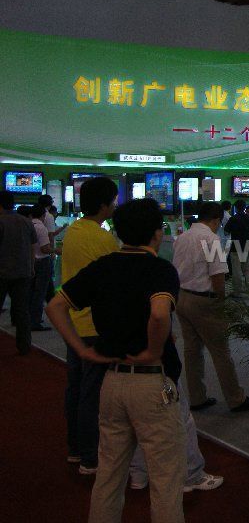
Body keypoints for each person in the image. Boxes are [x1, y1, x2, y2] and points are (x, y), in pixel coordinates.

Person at [46, 198, 186, 523]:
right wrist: (152, 351)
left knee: (109, 474)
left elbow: (55, 307)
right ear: (157, 233)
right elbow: (159, 313)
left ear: (119, 232)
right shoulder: (160, 269)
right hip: (151, 383)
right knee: (165, 478)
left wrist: (81, 350)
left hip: (111, 379)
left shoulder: (103, 266)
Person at [172, 201, 249, 413]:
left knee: (191, 351)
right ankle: (236, 399)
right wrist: (221, 303)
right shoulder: (211, 239)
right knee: (221, 351)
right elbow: (218, 276)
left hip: (182, 298)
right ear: (216, 220)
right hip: (204, 301)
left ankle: (197, 397)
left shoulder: (182, 237)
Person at [60, 176, 120, 474]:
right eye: (114, 200)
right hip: (94, 327)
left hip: (72, 323)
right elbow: (115, 281)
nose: (116, 205)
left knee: (75, 388)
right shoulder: (102, 239)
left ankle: (75, 448)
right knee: (92, 394)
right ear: (104, 204)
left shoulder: (73, 231)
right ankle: (90, 457)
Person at [0, 190, 37, 354]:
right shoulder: (26, 221)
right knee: (22, 311)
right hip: (23, 272)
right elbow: (32, 246)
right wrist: (32, 267)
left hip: (2, 272)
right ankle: (24, 346)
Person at [29, 204, 58, 331]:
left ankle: (31, 318)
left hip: (32, 261)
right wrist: (56, 250)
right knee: (40, 293)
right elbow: (44, 249)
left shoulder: (29, 225)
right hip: (43, 262)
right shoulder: (41, 228)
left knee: (33, 291)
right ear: (43, 215)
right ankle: (35, 321)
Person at [224, 199, 249, 298]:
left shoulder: (233, 218)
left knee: (236, 270)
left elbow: (226, 232)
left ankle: (237, 291)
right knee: (247, 269)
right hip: (247, 246)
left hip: (235, 247)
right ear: (245, 207)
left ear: (236, 208)